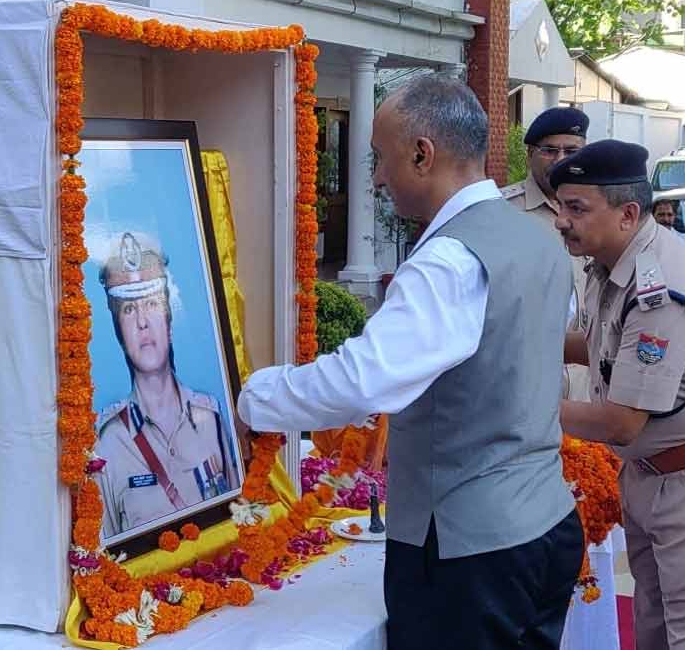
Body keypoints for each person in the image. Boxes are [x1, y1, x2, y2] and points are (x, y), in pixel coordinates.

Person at [239, 74, 583, 649]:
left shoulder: (449, 260)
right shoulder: (535, 239)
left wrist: (254, 398)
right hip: (544, 521)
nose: (376, 177)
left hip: (470, 547)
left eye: (381, 157)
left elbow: (363, 380)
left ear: (423, 154)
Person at [552, 139, 685, 649]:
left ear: (627, 213)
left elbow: (622, 422)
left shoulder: (661, 286)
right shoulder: (610, 262)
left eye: (576, 208)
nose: (561, 221)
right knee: (654, 632)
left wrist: (513, 405)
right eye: (561, 207)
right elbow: (600, 346)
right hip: (653, 474)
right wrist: (516, 344)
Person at [92, 231, 241, 543]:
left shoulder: (211, 417)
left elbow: (237, 517)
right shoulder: (108, 443)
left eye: (151, 304)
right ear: (119, 333)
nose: (142, 322)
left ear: (169, 322)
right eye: (129, 310)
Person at [501, 106, 591, 399]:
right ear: (530, 154)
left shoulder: (600, 210)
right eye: (550, 150)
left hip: (589, 382)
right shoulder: (502, 211)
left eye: (571, 151)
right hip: (527, 378)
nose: (561, 160)